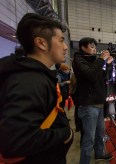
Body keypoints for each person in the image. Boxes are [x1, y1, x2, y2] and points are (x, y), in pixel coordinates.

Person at [0, 13, 73, 164]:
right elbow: (17, 141)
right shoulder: (30, 81)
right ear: (41, 43)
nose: (65, 47)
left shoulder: (35, 76)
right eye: (61, 40)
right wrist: (65, 133)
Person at [72, 37, 113, 164]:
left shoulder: (95, 61)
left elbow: (104, 77)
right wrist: (101, 59)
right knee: (88, 138)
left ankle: (99, 154)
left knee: (100, 134)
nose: (94, 49)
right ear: (83, 48)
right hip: (88, 105)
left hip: (99, 104)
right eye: (91, 47)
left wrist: (109, 64)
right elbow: (90, 74)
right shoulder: (78, 60)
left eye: (95, 47)